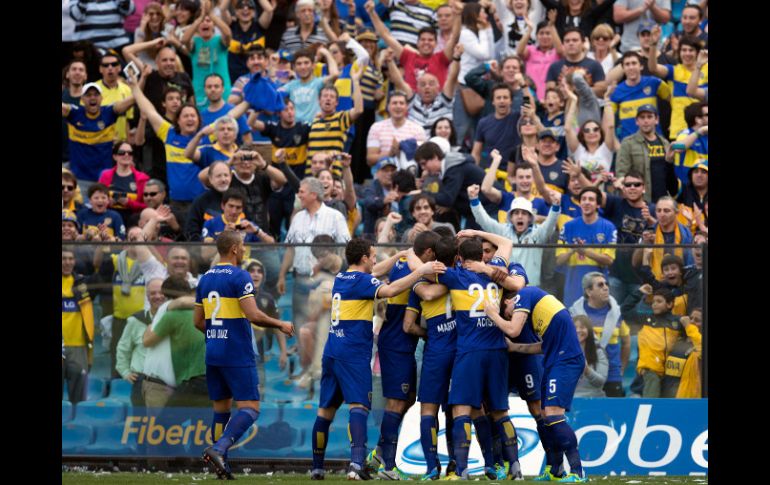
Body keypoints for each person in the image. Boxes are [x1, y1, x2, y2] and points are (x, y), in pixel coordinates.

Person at [309, 238, 446, 480]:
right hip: (352, 353)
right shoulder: (363, 281)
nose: (375, 260)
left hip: (332, 350)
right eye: (373, 256)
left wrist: (399, 255)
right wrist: (421, 271)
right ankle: (357, 464)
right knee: (359, 407)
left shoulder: (342, 277)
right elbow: (391, 290)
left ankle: (317, 468)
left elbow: (376, 272)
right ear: (364, 258)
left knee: (325, 411)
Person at [412, 230, 524, 480]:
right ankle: (515, 467)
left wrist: (409, 252)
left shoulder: (456, 275)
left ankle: (461, 468)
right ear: (482, 256)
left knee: (461, 410)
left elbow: (421, 269)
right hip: (497, 350)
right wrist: (476, 232)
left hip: (469, 351)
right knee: (500, 411)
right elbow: (506, 242)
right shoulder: (495, 271)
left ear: (460, 259)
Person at [195, 231, 295, 479]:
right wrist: (280, 324)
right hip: (236, 352)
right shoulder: (240, 276)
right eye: (242, 245)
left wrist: (217, 333)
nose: (244, 249)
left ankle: (221, 466)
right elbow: (254, 315)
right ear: (234, 249)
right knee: (250, 408)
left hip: (213, 351)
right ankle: (219, 449)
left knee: (221, 410)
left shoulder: (205, 279)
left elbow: (197, 321)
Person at [484, 285, 588, 482]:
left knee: (553, 414)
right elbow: (544, 346)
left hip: (565, 360)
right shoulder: (539, 316)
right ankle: (556, 470)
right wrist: (516, 348)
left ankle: (578, 472)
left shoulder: (525, 293)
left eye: (508, 314)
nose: (510, 317)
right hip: (555, 360)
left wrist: (492, 314)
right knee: (546, 416)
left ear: (509, 301)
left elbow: (513, 329)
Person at [402, 235, 458, 480]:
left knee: (428, 410)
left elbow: (408, 325)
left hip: (436, 350)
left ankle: (432, 467)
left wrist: (428, 334)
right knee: (458, 409)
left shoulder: (418, 282)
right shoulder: (461, 276)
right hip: (460, 350)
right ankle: (457, 465)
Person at [278, 177, 351, 345]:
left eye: (301, 192)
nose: (298, 195)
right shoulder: (297, 218)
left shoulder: (335, 216)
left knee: (324, 326)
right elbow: (290, 249)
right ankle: (304, 360)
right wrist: (282, 275)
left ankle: (323, 360)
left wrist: (337, 273)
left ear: (313, 194)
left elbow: (345, 248)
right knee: (300, 324)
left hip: (325, 281)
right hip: (300, 280)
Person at [469, 164, 561, 287]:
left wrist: (556, 206)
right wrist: (474, 199)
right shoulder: (503, 231)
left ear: (530, 218)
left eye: (524, 213)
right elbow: (484, 220)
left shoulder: (538, 233)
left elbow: (550, 223)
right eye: (516, 213)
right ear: (511, 217)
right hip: (507, 287)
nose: (520, 216)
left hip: (532, 288)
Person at [365, 0, 459, 91]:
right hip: (396, 59)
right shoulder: (396, 3)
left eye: (430, 40)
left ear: (435, 43)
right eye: (423, 40)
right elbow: (385, 34)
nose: (426, 42)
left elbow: (453, 36)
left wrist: (458, 15)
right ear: (418, 42)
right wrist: (372, 12)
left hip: (415, 64)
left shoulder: (430, 13)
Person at [144, 275, 209, 408]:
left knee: (164, 422)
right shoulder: (173, 310)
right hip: (166, 383)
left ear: (164, 294)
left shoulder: (171, 311)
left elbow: (146, 341)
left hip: (175, 383)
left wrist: (149, 328)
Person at [568, 272, 630, 397]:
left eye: (606, 284)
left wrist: (621, 368)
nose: (606, 288)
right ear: (589, 291)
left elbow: (626, 342)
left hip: (613, 376)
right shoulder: (574, 314)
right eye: (600, 285)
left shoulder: (616, 313)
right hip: (584, 380)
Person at [62, 82, 136, 186]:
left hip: (104, 180)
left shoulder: (109, 112)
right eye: (88, 95)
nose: (92, 97)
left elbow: (134, 99)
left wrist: (142, 80)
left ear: (101, 98)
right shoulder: (74, 113)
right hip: (79, 179)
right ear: (82, 99)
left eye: (96, 94)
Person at [413, 137, 493, 231]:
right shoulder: (449, 168)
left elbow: (447, 199)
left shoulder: (454, 168)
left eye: (424, 163)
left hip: (489, 209)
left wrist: (424, 193)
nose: (423, 168)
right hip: (477, 211)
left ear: (435, 157)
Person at [556, 187, 617, 308]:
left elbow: (609, 260)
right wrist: (573, 250)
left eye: (591, 199)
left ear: (598, 205)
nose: (586, 202)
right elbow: (559, 260)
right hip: (573, 285)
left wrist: (584, 251)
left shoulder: (609, 227)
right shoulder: (567, 227)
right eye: (583, 199)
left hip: (598, 286)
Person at [620, 285, 683, 398]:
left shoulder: (678, 322)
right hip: (650, 370)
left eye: (659, 301)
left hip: (670, 371)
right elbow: (625, 309)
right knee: (652, 401)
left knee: (666, 403)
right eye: (653, 301)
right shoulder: (645, 319)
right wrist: (639, 292)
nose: (654, 304)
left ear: (669, 304)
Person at [647, 27, 708, 139]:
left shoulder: (706, 69)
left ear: (698, 52)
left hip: (703, 129)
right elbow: (653, 68)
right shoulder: (674, 71)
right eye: (684, 50)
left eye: (691, 50)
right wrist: (653, 45)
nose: (687, 54)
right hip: (679, 131)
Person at [116, 277, 166, 407]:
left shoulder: (176, 319)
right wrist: (125, 372)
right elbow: (123, 348)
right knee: (140, 420)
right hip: (141, 381)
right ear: (147, 296)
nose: (157, 296)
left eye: (161, 292)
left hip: (166, 383)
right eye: (153, 293)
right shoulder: (135, 320)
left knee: (165, 420)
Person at [614, 104, 675, 203]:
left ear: (656, 120)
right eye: (642, 117)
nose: (646, 121)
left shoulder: (665, 143)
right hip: (641, 200)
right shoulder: (628, 143)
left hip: (663, 201)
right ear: (637, 121)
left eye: (649, 117)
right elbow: (622, 173)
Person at [563, 80, 619, 185]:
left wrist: (607, 99)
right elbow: (567, 128)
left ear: (601, 133)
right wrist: (574, 101)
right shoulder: (579, 150)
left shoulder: (606, 149)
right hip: (583, 191)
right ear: (582, 135)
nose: (591, 132)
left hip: (602, 191)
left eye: (596, 129)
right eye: (586, 130)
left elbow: (611, 126)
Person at [608, 51, 669, 142]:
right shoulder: (616, 91)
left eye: (634, 63)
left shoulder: (654, 83)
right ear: (623, 68)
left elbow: (673, 100)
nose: (631, 67)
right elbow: (609, 122)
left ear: (641, 66)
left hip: (654, 143)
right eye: (627, 64)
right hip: (629, 144)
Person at [62, 247, 96, 404]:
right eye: (63, 259)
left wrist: (104, 246)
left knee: (78, 399)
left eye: (70, 259)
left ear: (75, 261)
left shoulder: (83, 283)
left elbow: (103, 274)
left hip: (78, 346)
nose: (67, 262)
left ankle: (76, 420)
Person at [366, 91, 427, 168]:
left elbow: (424, 158)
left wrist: (405, 150)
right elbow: (370, 159)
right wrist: (389, 153)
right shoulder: (376, 127)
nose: (398, 106)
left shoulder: (417, 129)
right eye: (394, 103)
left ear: (407, 107)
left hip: (409, 172)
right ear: (388, 106)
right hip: (384, 172)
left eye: (401, 103)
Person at [278, 48, 339, 125]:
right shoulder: (291, 85)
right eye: (299, 64)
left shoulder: (319, 82)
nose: (303, 67)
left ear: (313, 65)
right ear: (294, 67)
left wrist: (326, 52)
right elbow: (275, 94)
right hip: (296, 128)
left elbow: (335, 74)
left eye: (306, 63)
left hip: (314, 128)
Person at [471, 83, 522, 170]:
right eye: (498, 98)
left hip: (514, 172)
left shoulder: (518, 118)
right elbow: (476, 153)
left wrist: (524, 86)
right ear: (493, 101)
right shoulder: (483, 123)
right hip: (491, 171)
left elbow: (530, 107)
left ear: (511, 101)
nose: (502, 101)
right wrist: (473, 172)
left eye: (505, 97)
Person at [98, 141, 151, 224]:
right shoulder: (105, 176)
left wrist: (129, 203)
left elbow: (148, 206)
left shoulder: (143, 178)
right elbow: (96, 200)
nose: (126, 155)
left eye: (130, 153)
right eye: (121, 153)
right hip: (108, 221)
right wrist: (107, 202)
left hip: (134, 221)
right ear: (115, 156)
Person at [517, 19, 564, 102]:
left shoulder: (557, 52)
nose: (544, 36)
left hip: (551, 99)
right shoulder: (530, 50)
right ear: (536, 36)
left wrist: (552, 26)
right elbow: (519, 52)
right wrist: (529, 30)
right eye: (541, 33)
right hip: (531, 96)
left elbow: (561, 51)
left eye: (548, 33)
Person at [94, 51, 136, 142]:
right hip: (99, 142)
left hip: (121, 143)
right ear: (100, 69)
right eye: (106, 65)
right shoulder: (93, 90)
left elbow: (127, 120)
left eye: (114, 64)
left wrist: (128, 144)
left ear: (119, 68)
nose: (110, 68)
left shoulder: (127, 90)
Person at [69, 0, 136, 50]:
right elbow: (75, 16)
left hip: (118, 43)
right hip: (89, 46)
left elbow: (130, 10)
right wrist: (83, 2)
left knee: (129, 60)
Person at [672, 101, 707, 187]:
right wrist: (700, 131)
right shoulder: (685, 134)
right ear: (698, 119)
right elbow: (677, 148)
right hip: (686, 187)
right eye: (707, 115)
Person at [572, 315, 608, 397]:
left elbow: (600, 382)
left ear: (589, 330)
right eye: (574, 327)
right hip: (568, 400)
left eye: (582, 327)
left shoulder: (598, 352)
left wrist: (587, 370)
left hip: (594, 399)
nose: (578, 330)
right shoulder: (562, 352)